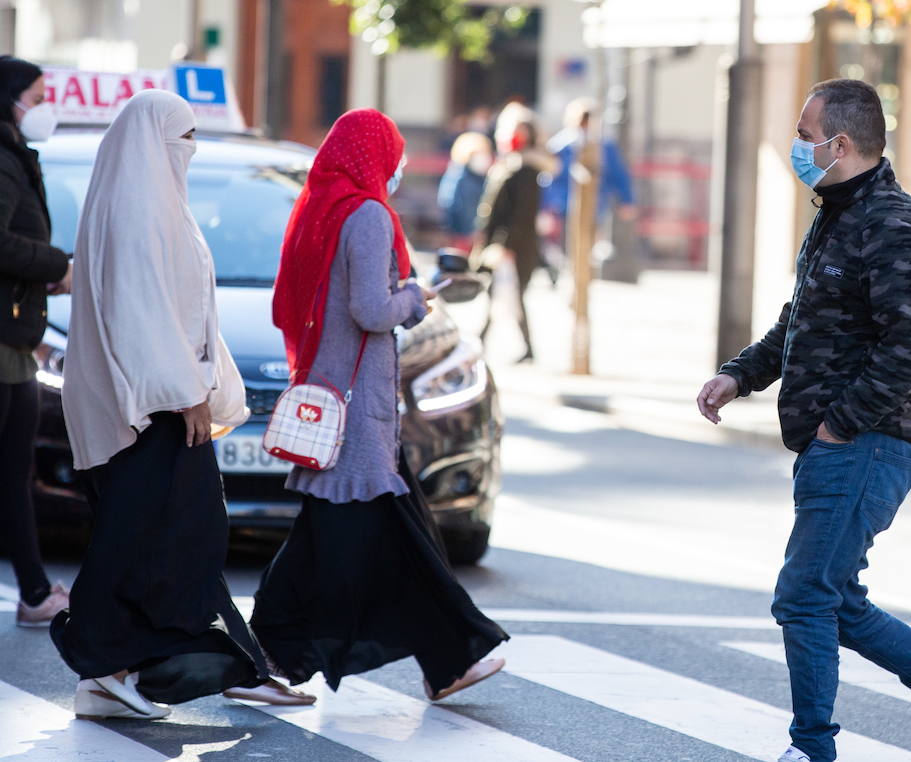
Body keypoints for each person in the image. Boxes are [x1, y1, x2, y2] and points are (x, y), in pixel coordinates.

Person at [697, 79, 911, 762]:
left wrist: (840, 424)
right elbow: (800, 319)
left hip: (866, 443)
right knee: (832, 598)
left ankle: (812, 748)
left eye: (806, 132)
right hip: (837, 442)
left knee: (804, 595)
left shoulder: (889, 222)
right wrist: (740, 374)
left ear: (841, 144)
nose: (798, 143)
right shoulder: (837, 213)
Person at [54, 89, 310, 720]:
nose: (190, 148)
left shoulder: (155, 204)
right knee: (160, 538)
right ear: (154, 141)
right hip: (147, 409)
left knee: (167, 538)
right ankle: (104, 657)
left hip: (153, 403)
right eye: (185, 135)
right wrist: (187, 392)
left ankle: (124, 673)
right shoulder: (137, 212)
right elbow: (144, 317)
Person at [254, 108, 508, 701]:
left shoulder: (323, 206)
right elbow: (371, 310)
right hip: (356, 405)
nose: (395, 167)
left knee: (356, 535)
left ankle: (444, 657)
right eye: (391, 155)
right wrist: (415, 297)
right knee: (370, 536)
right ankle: (448, 656)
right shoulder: (366, 214)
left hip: (338, 396)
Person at [0, 55, 72, 627]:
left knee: (12, 469)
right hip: (4, 337)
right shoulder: (2, 158)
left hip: (15, 335)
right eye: (38, 96)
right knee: (10, 468)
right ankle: (32, 590)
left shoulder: (14, 156)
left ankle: (32, 590)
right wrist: (55, 264)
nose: (44, 108)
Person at [474, 103, 552, 363]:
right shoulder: (507, 165)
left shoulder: (527, 169)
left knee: (508, 293)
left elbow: (522, 215)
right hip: (499, 243)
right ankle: (494, 342)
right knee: (501, 294)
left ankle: (489, 341)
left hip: (514, 246)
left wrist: (505, 246)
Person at [541, 97, 635, 263]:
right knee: (568, 248)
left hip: (595, 204)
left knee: (587, 249)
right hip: (564, 207)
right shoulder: (559, 146)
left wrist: (626, 200)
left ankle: (583, 282)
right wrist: (546, 207)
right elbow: (547, 179)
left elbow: (617, 174)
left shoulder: (603, 146)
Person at [436, 131, 494, 252]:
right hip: (463, 235)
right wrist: (471, 231)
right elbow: (458, 206)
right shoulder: (460, 177)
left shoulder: (478, 177)